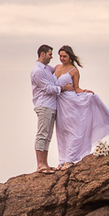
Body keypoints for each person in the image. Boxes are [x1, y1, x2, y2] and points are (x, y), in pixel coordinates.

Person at [52, 45, 109, 168]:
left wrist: (85, 91)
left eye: (65, 56)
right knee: (61, 130)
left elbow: (76, 88)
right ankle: (62, 160)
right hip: (59, 102)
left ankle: (70, 159)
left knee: (73, 130)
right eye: (60, 56)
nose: (62, 58)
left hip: (71, 102)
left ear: (70, 57)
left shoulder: (74, 70)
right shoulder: (56, 67)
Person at [30, 44, 74, 174]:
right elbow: (48, 88)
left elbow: (58, 68)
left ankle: (45, 164)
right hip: (44, 105)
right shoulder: (38, 71)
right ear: (42, 54)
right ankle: (40, 165)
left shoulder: (46, 68)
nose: (51, 57)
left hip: (51, 105)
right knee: (42, 134)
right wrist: (64, 88)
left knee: (48, 136)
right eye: (50, 54)